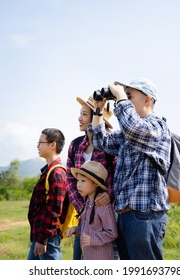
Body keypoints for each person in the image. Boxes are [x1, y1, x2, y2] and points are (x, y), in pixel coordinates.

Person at [90, 78, 171, 260]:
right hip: (125, 215)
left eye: (129, 96)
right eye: (124, 97)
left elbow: (134, 128)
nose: (123, 100)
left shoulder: (157, 126)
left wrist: (119, 96)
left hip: (145, 216)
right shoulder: (129, 133)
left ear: (147, 100)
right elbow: (100, 141)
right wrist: (98, 110)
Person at [66, 95, 117, 260]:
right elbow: (70, 179)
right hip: (84, 214)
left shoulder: (110, 145)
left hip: (106, 212)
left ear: (97, 117)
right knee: (83, 255)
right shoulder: (75, 145)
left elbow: (119, 176)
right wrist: (84, 208)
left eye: (84, 114)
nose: (79, 118)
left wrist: (108, 195)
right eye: (80, 113)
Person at [27, 128, 67, 260]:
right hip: (40, 234)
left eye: (40, 142)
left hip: (47, 238)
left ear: (52, 145)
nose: (37, 146)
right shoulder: (49, 171)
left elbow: (55, 210)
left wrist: (43, 238)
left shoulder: (57, 174)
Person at [66, 161, 118, 260]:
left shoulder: (103, 206)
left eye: (83, 181)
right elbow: (89, 229)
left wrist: (92, 239)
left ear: (95, 183)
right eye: (78, 180)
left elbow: (112, 233)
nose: (78, 185)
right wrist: (75, 230)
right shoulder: (87, 204)